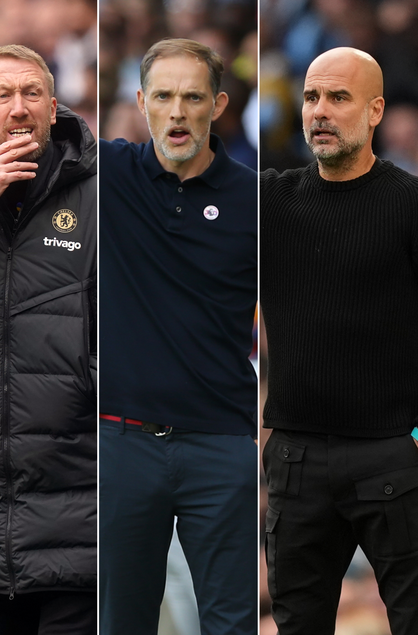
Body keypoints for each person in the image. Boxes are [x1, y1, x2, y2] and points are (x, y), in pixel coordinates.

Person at [99, 38, 258, 635]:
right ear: (141, 101)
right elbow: (25, 122)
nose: (177, 111)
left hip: (221, 445)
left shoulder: (255, 200)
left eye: (192, 97)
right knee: (120, 621)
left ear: (217, 105)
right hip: (121, 441)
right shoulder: (107, 173)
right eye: (163, 96)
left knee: (231, 623)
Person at [0, 44, 97, 634]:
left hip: (79, 509)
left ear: (53, 109)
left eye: (32, 93)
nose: (20, 106)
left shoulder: (100, 200)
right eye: (3, 95)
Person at [261, 47, 418, 635]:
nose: (320, 112)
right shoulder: (272, 203)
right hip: (297, 462)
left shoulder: (408, 205)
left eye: (338, 98)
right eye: (310, 98)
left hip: (393, 458)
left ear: (376, 110)